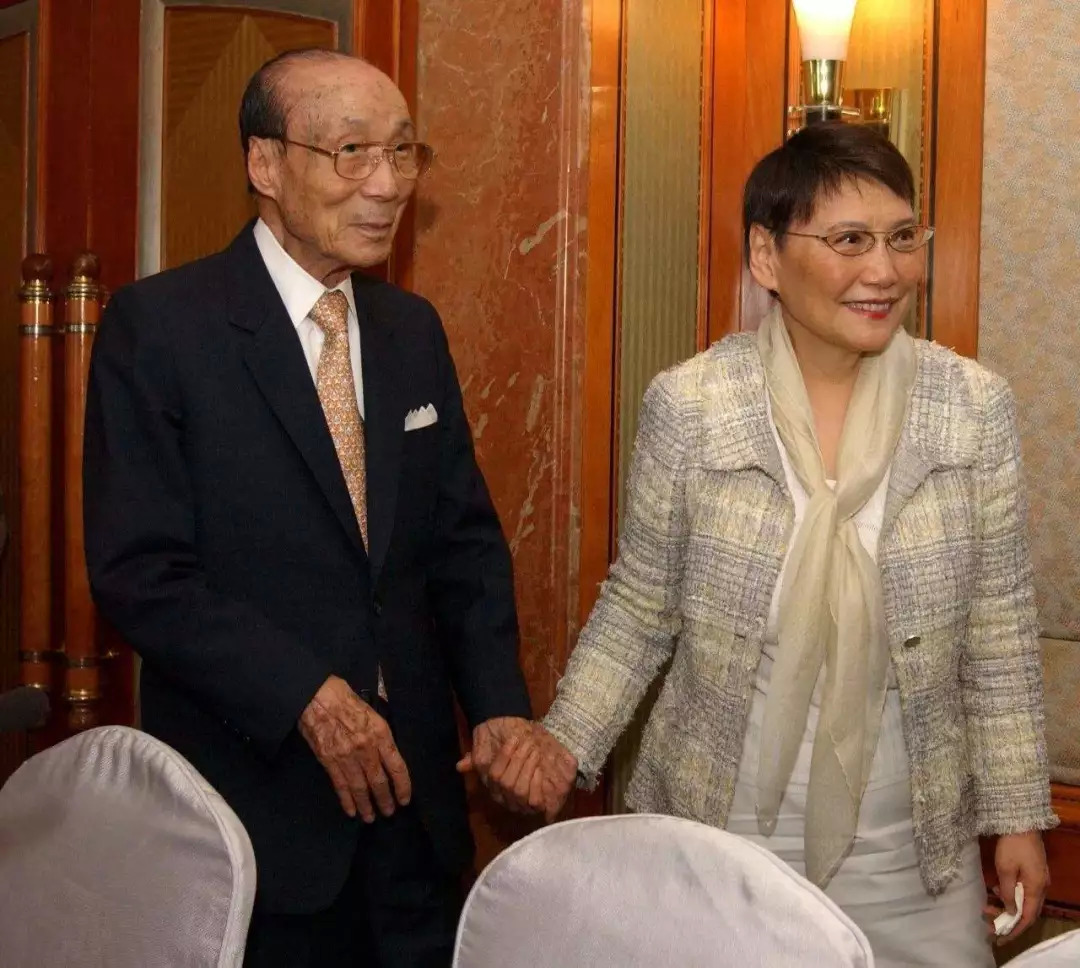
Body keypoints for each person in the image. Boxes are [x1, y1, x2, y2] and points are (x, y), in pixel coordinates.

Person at [471, 123, 1057, 965]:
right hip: (725, 833)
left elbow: (997, 628)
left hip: (910, 848)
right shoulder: (695, 404)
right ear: (766, 256)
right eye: (849, 241)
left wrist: (1016, 815)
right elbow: (641, 606)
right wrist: (565, 741)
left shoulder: (970, 408)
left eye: (902, 238)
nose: (885, 271)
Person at [84, 48, 537, 968]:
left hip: (415, 821)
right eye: (352, 152)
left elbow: (462, 545)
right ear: (265, 162)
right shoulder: (162, 327)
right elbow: (142, 574)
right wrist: (305, 694)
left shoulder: (411, 331)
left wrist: (497, 707)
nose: (387, 184)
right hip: (256, 816)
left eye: (403, 152)